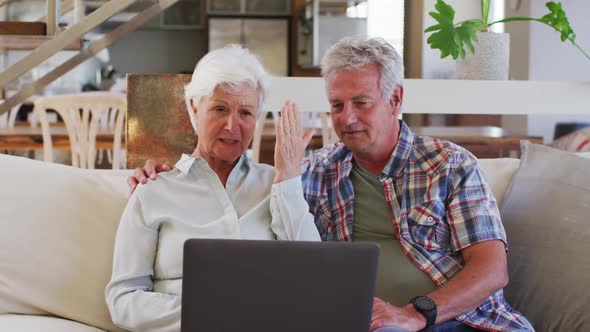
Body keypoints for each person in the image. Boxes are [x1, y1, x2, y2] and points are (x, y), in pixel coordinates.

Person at [128, 38, 533, 332]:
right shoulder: (315, 172)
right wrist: (157, 173)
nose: (347, 118)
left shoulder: (451, 165)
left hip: (457, 322)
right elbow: (293, 245)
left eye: (362, 102)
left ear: (395, 100)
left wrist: (416, 313)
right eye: (336, 105)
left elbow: (492, 269)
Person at [106, 45, 320, 332]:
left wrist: (290, 177)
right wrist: (209, 316)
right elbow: (123, 299)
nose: (232, 126)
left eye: (245, 113)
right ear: (194, 108)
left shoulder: (278, 186)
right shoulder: (153, 189)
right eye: (220, 109)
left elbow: (314, 278)